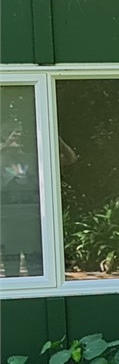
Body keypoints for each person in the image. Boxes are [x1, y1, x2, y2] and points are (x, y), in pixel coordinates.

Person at [0, 116, 44, 277]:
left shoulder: (32, 157)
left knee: (35, 266)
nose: (16, 136)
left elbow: (70, 159)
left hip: (31, 217)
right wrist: (4, 147)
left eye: (19, 133)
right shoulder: (1, 157)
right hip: (6, 219)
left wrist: (56, 139)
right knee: (11, 267)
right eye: (11, 133)